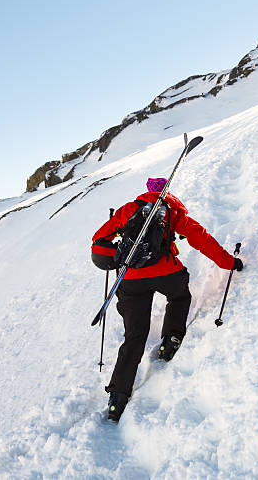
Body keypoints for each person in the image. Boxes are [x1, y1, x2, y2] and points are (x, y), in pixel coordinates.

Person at [92, 177, 244, 422]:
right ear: (166, 191)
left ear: (147, 191)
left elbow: (98, 242)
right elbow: (202, 239)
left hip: (130, 279)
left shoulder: (128, 210)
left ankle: (117, 398)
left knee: (134, 336)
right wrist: (230, 263)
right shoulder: (172, 212)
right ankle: (171, 339)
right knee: (179, 297)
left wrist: (119, 257)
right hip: (166, 272)